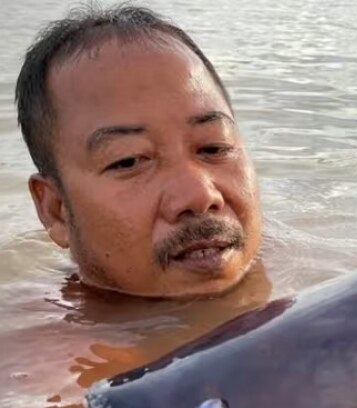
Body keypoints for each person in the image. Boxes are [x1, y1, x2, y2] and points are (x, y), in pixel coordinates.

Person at [15, 4, 263, 299]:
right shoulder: (32, 342)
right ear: (56, 211)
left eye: (214, 147)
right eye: (128, 161)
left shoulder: (318, 284)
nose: (199, 196)